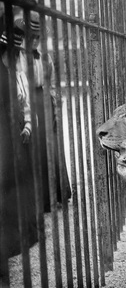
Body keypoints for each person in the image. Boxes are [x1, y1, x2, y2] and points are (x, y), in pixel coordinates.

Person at [15, 12, 71, 213]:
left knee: (52, 146)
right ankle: (41, 199)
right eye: (31, 37)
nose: (34, 41)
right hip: (29, 101)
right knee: (36, 149)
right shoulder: (18, 57)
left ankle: (58, 193)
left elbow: (53, 83)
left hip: (45, 99)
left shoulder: (45, 57)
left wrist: (54, 103)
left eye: (38, 38)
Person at [0, 30, 38, 258]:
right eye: (15, 54)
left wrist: (26, 124)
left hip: (12, 133)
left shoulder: (11, 72)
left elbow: (22, 103)